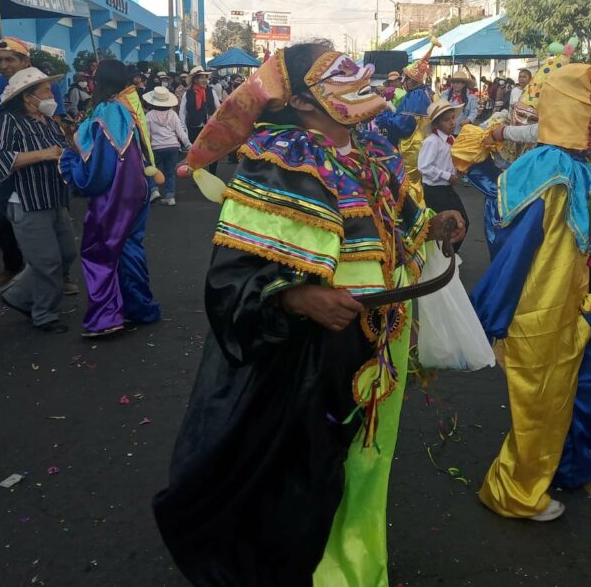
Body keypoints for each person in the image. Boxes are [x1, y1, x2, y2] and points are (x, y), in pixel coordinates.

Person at [153, 41, 465, 585]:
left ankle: (354, 561)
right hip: (301, 356)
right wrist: (296, 298)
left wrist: (435, 225)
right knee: (298, 474)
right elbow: (230, 279)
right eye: (336, 71)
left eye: (351, 65)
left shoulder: (375, 151)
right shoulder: (281, 158)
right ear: (299, 100)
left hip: (374, 342)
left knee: (364, 460)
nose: (356, 74)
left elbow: (395, 224)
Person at [470, 62, 591, 524]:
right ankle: (513, 490)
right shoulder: (546, 168)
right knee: (543, 400)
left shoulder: (587, 166)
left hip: (580, 303)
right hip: (541, 305)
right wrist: (496, 310)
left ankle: (571, 464)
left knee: (588, 384)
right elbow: (515, 246)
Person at [60, 60, 162, 338]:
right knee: (129, 248)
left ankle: (105, 317)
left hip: (114, 195)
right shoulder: (129, 106)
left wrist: (70, 162)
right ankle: (139, 308)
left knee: (99, 251)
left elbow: (99, 171)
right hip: (136, 189)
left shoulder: (107, 111)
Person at [0, 37, 68, 284]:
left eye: (10, 59)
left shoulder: (44, 84)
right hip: (11, 163)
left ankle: (61, 273)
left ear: (25, 61)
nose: (3, 65)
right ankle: (12, 266)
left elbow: (57, 119)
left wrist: (60, 151)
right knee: (2, 216)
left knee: (55, 219)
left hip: (45, 166)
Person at [0, 68, 75, 334]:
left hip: (55, 197)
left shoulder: (49, 122)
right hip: (26, 200)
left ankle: (18, 296)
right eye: (46, 91)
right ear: (28, 97)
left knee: (66, 253)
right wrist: (43, 154)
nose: (52, 95)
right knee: (47, 261)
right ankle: (43, 314)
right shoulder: (8, 121)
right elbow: (0, 159)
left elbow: (62, 150)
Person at [374, 44, 436, 205]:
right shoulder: (426, 92)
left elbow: (404, 125)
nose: (403, 81)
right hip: (425, 141)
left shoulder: (414, 96)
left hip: (413, 145)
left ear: (412, 80)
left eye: (405, 78)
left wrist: (384, 117)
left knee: (411, 182)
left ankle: (417, 217)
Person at [418, 99, 469, 250]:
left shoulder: (451, 139)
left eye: (453, 118)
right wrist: (447, 176)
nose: (452, 123)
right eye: (447, 120)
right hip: (435, 190)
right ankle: (445, 255)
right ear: (437, 124)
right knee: (444, 225)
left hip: (446, 189)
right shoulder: (432, 142)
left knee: (461, 222)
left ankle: (449, 253)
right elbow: (424, 166)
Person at [143, 86, 189, 206]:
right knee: (169, 172)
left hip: (156, 148)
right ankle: (170, 196)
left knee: (151, 169)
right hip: (173, 147)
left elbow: (147, 135)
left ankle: (154, 190)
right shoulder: (173, 114)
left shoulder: (149, 115)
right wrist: (189, 145)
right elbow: (180, 132)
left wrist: (144, 149)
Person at [178, 69, 216, 176]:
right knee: (198, 153)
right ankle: (200, 176)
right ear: (195, 80)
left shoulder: (211, 91)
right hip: (194, 126)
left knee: (212, 152)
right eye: (201, 77)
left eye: (205, 77)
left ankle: (213, 174)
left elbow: (218, 109)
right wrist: (184, 129)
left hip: (210, 127)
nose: (204, 80)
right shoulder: (188, 94)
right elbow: (182, 113)